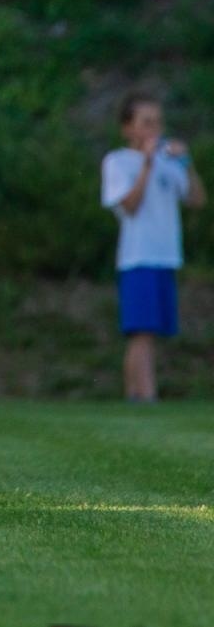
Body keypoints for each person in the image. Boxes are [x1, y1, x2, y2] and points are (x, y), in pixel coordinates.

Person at [101, 92, 205, 402]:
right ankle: (146, 395)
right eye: (146, 122)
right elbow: (129, 205)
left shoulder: (168, 163)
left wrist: (186, 163)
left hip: (165, 255)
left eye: (158, 122)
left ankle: (137, 395)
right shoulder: (117, 162)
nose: (154, 129)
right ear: (127, 128)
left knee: (151, 332)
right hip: (138, 256)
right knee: (141, 331)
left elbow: (197, 199)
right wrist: (146, 165)